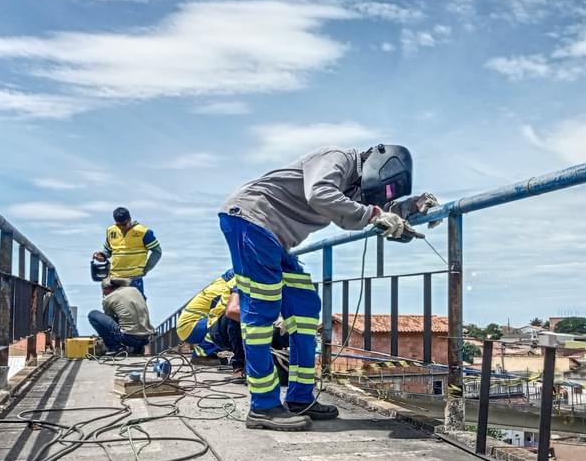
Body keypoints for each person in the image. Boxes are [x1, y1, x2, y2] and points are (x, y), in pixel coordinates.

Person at [219, 144, 437, 430]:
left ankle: (300, 398)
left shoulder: (356, 189)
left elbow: (377, 209)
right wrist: (373, 216)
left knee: (305, 308)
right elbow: (320, 194)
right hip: (249, 219)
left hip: (276, 237)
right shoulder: (339, 158)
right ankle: (263, 406)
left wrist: (411, 208)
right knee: (262, 311)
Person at [176, 269, 290, 380]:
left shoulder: (224, 283)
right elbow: (229, 312)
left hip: (195, 323)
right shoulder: (233, 283)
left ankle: (213, 353)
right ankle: (201, 354)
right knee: (231, 317)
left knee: (238, 317)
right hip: (190, 325)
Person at [94, 207, 161, 298]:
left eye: (124, 224)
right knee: (111, 306)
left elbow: (157, 252)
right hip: (114, 279)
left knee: (137, 308)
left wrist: (146, 269)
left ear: (130, 219)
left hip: (134, 279)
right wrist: (102, 256)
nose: (122, 228)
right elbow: (108, 251)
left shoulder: (143, 232)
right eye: (119, 225)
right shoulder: (111, 231)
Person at [87, 277, 155, 355]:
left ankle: (116, 348)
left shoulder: (108, 298)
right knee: (132, 317)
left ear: (106, 289)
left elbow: (109, 319)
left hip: (128, 338)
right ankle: (138, 348)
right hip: (146, 338)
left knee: (93, 314)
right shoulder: (135, 290)